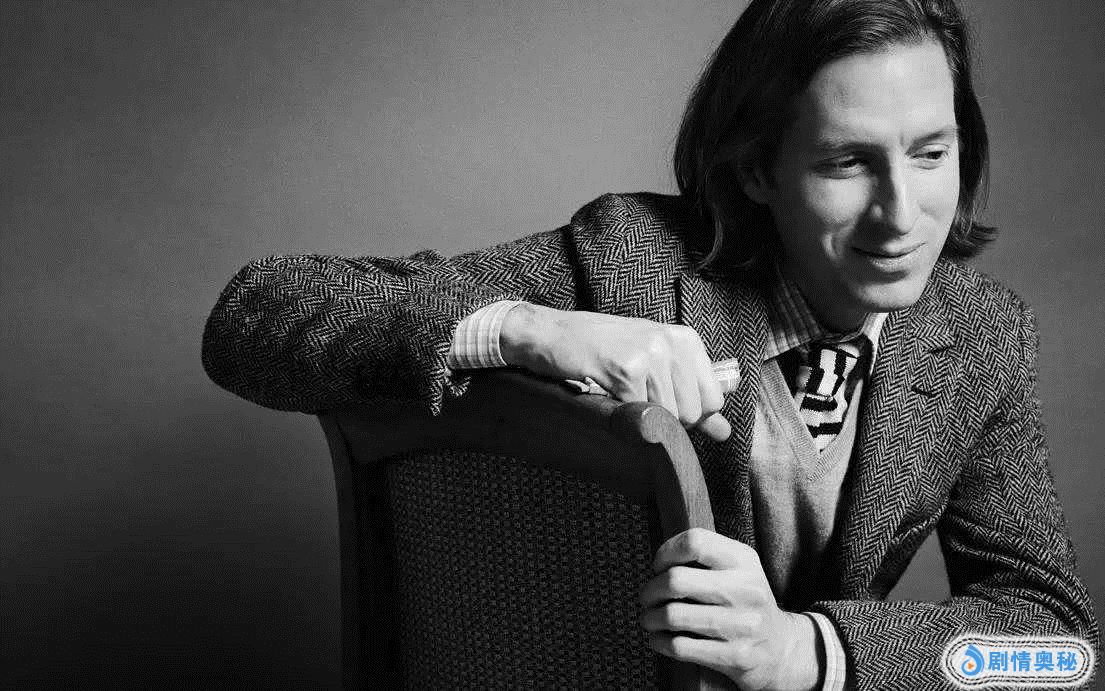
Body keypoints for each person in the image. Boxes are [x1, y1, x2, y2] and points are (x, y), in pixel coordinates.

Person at [202, 0, 1099, 688]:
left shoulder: (983, 335)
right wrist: (533, 329)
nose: (902, 214)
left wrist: (810, 651)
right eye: (846, 162)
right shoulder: (626, 260)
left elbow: (1060, 649)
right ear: (756, 167)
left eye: (931, 154)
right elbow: (256, 312)